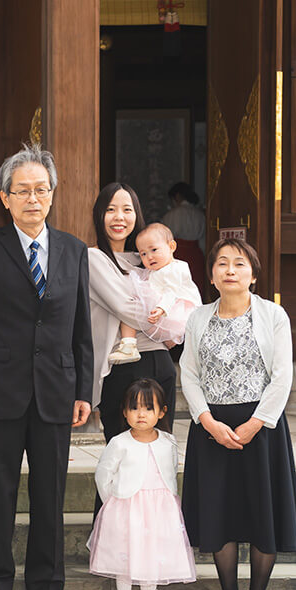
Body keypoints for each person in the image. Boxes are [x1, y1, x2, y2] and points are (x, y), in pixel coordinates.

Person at [0, 143, 93, 590]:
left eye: (41, 190)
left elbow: (81, 328)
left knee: (49, 501)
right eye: (22, 191)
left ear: (52, 194)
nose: (32, 199)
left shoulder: (75, 251)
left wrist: (83, 388)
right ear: (4, 198)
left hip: (56, 390)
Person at [180, 238, 296, 590]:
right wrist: (207, 421)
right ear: (211, 274)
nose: (230, 270)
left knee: (261, 512)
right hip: (212, 429)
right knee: (220, 513)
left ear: (253, 273)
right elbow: (189, 373)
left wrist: (255, 423)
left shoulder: (273, 315)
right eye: (221, 263)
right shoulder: (198, 318)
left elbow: (282, 374)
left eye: (239, 263)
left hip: (261, 429)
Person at [88, 378, 196, 590]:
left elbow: (171, 472)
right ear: (124, 412)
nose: (141, 414)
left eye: (148, 408)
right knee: (126, 559)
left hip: (160, 511)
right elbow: (103, 475)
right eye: (134, 408)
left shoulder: (168, 442)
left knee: (152, 558)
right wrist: (114, 504)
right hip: (127, 510)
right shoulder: (119, 442)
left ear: (161, 412)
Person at [87, 183, 178, 452]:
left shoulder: (149, 259)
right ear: (99, 215)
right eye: (111, 210)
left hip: (160, 364)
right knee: (122, 458)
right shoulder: (93, 259)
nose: (119, 217)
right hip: (122, 368)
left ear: (137, 215)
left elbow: (181, 296)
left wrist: (172, 322)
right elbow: (128, 309)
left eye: (127, 210)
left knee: (160, 454)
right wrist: (169, 326)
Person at [108, 222, 201, 364]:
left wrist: (162, 308)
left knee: (132, 306)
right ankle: (130, 344)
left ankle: (129, 343)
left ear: (171, 247)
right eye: (143, 253)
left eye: (154, 250)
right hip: (162, 311)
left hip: (173, 310)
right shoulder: (154, 271)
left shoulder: (176, 268)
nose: (149, 257)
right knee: (131, 303)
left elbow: (172, 291)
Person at [161, 181, 208, 296]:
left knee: (177, 287)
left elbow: (164, 238)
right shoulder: (200, 214)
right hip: (197, 254)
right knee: (196, 287)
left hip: (178, 254)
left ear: (177, 196)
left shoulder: (173, 214)